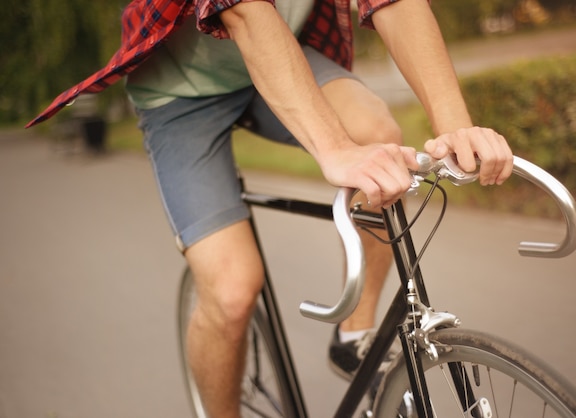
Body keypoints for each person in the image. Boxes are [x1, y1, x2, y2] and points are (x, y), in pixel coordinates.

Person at [27, 0, 514, 416]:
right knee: (232, 291)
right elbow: (243, 11)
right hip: (179, 95)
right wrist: (333, 148)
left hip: (286, 57)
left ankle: (355, 334)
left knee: (378, 134)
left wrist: (456, 129)